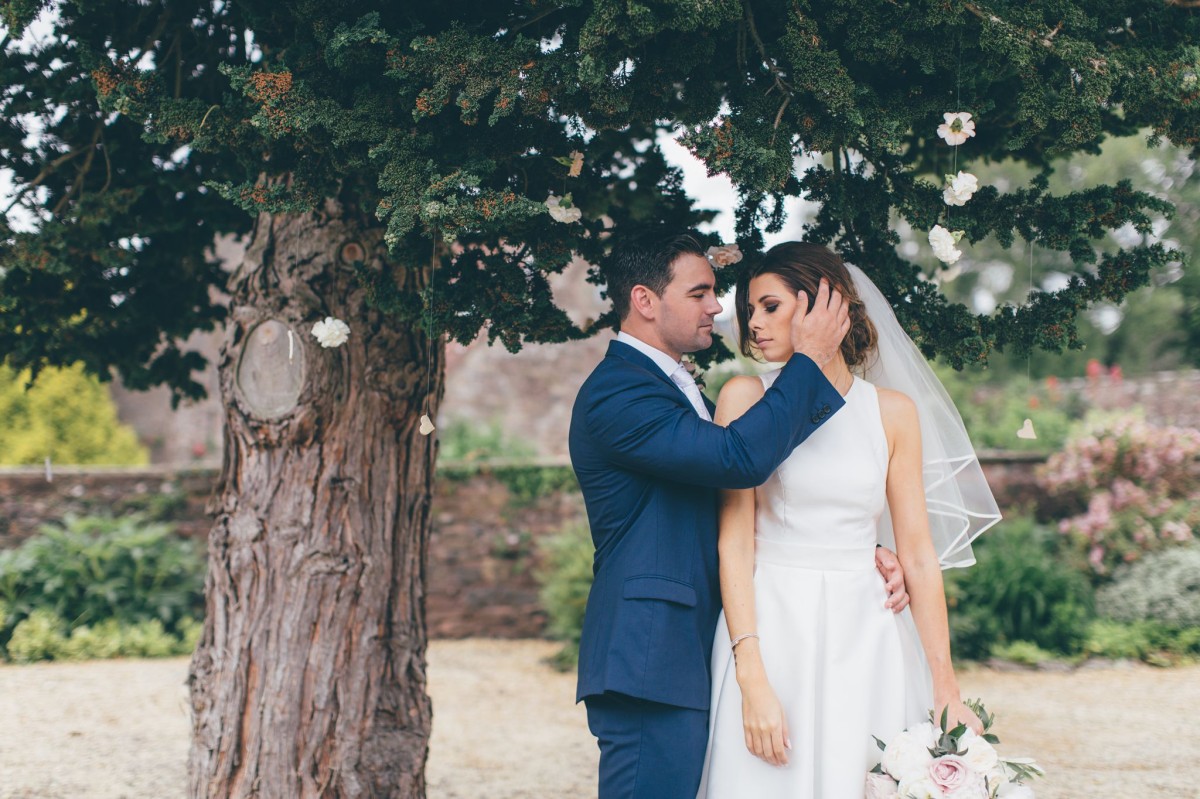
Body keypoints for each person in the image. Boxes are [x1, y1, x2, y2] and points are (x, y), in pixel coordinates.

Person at [568, 232, 912, 799]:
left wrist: (851, 546)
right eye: (700, 292)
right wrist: (812, 357)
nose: (718, 308)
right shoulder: (619, 393)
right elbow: (738, 459)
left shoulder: (674, 388)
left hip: (689, 650)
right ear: (646, 300)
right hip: (651, 655)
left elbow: (730, 502)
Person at [696, 242, 1001, 798]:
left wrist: (946, 685)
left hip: (869, 634)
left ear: (821, 307)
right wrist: (751, 675)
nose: (753, 325)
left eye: (770, 306)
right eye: (749, 311)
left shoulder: (891, 413)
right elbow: (734, 545)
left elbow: (917, 555)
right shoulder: (744, 397)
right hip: (773, 623)